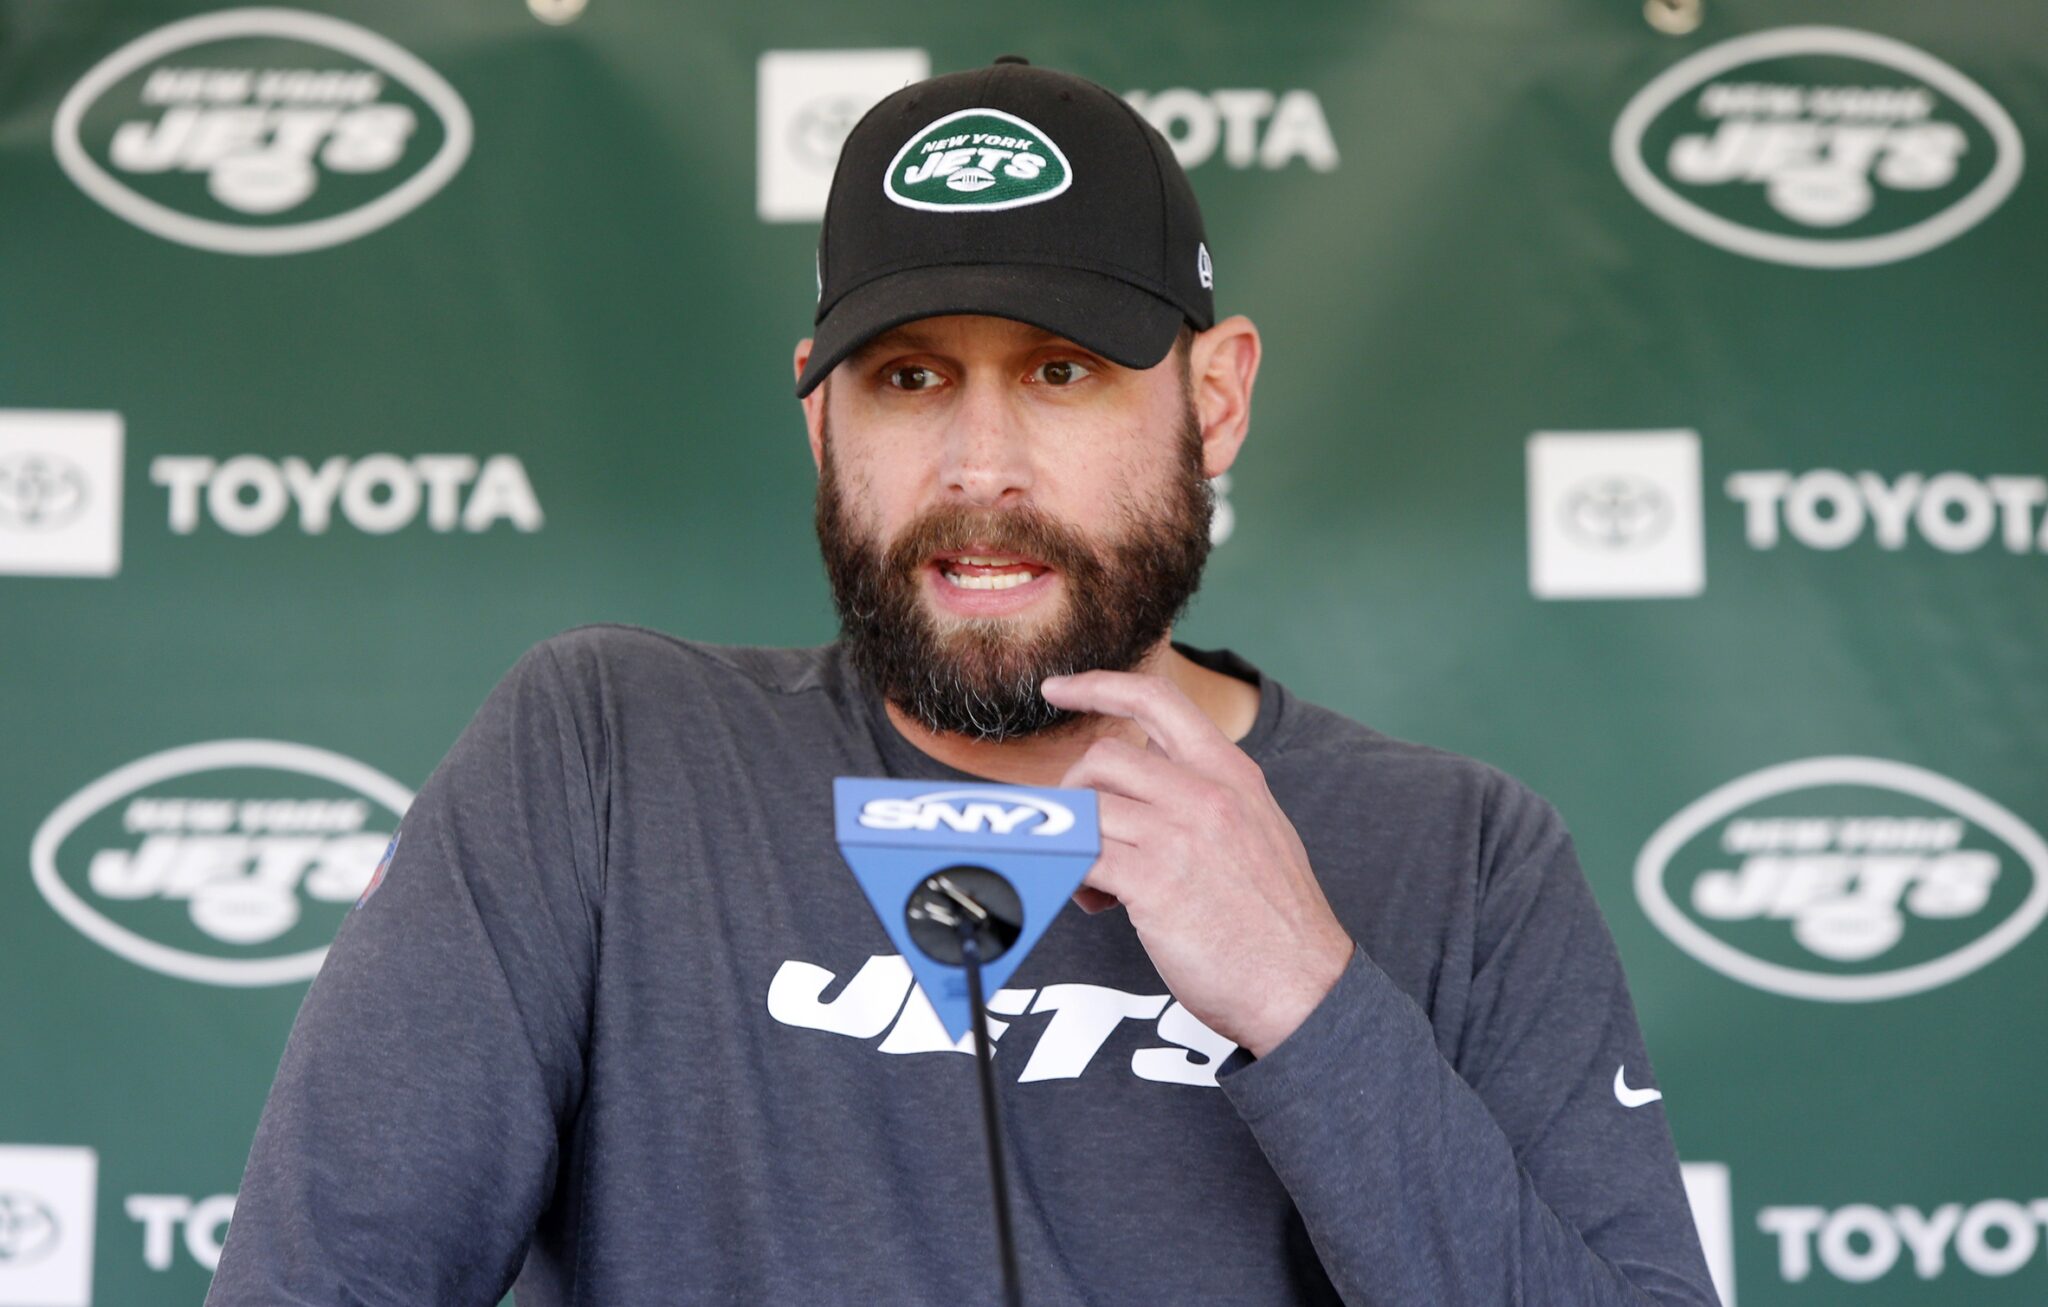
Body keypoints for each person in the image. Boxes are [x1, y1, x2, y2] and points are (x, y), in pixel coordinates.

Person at [206, 58, 1720, 1306]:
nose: (979, 468)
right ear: (822, 421)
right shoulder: (603, 761)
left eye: (1062, 371)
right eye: (909, 377)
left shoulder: (1468, 856)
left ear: (1215, 399)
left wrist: (1310, 1001)